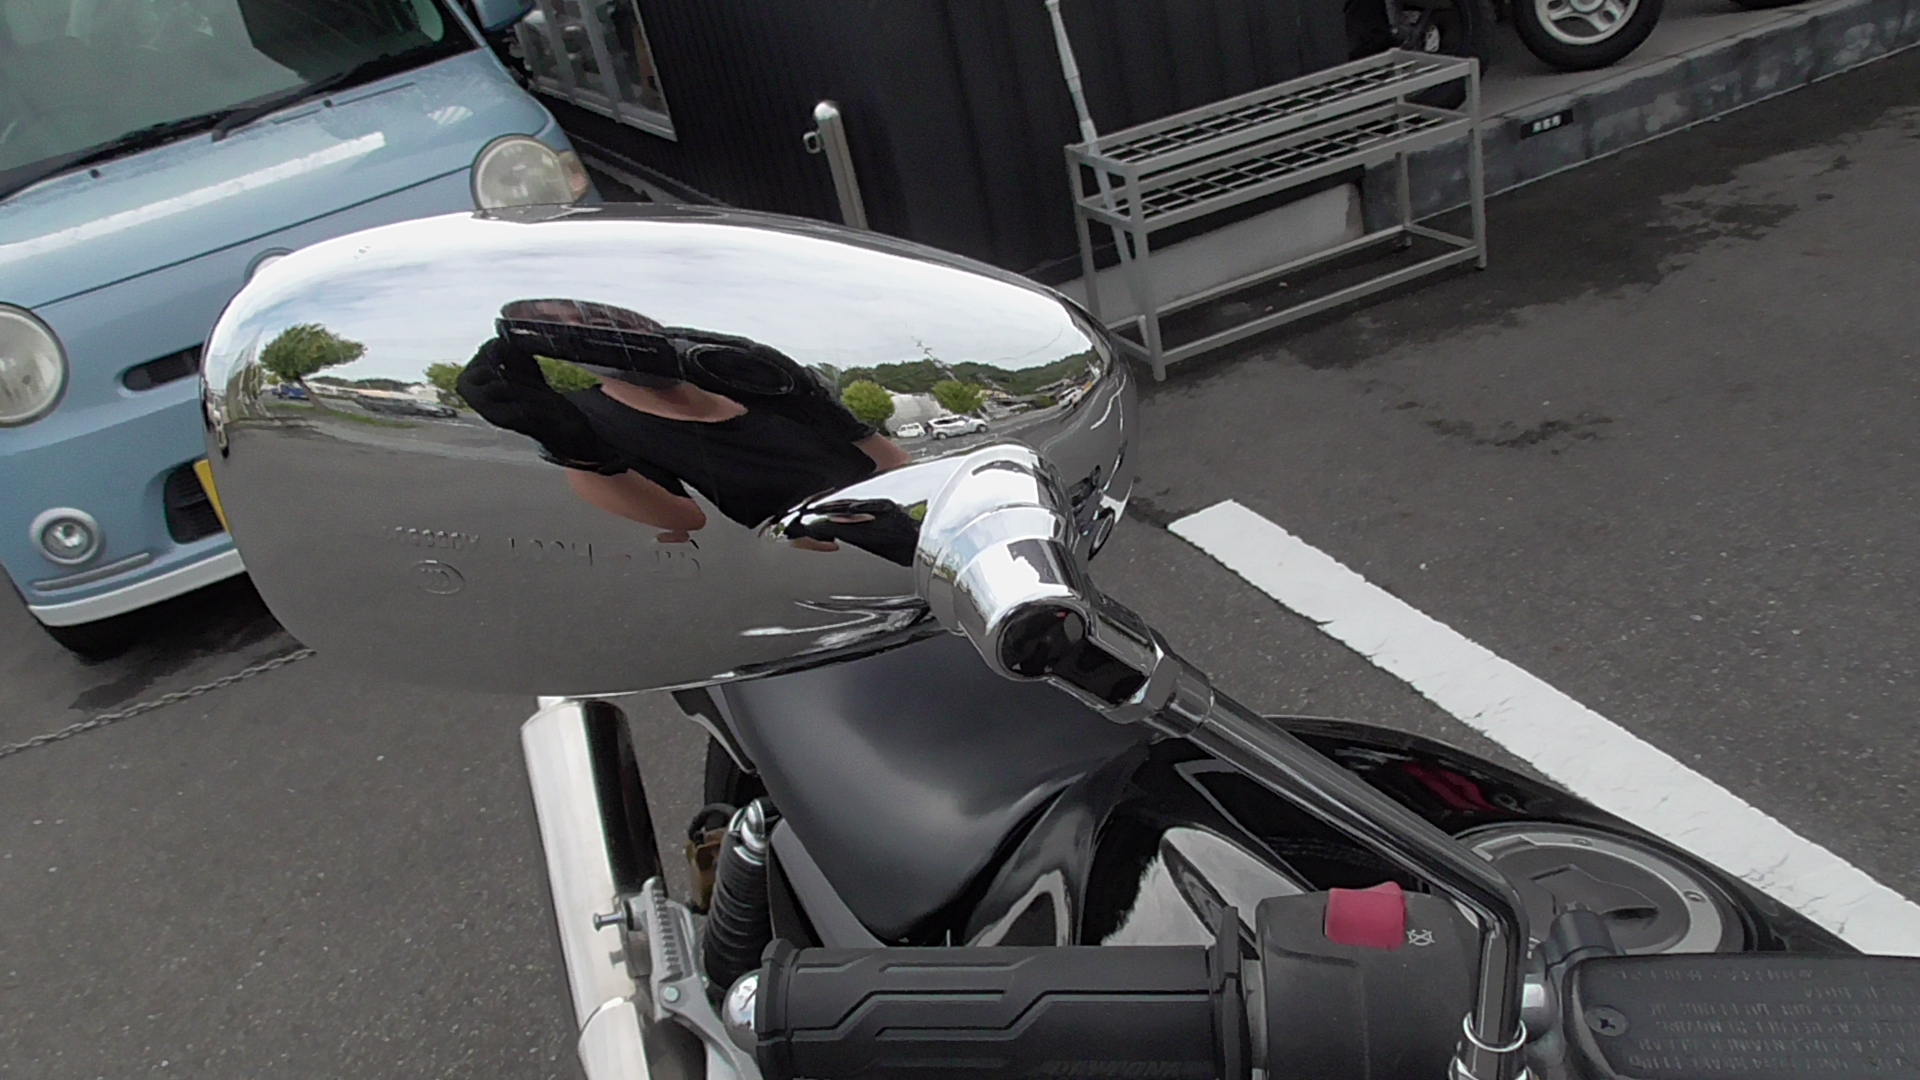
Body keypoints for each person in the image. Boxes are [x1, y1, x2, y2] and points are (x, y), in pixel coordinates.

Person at [457, 299, 915, 559]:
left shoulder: (746, 379)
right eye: (556, 327)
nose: (587, 328)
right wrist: (570, 445)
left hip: (908, 544)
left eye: (596, 315)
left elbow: (896, 467)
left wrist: (819, 405)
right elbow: (681, 521)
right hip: (815, 582)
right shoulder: (586, 418)